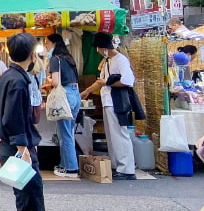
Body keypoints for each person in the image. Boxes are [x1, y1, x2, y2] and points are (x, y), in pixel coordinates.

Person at [0, 32, 45, 211]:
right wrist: (24, 150)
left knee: (25, 197)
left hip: (10, 145)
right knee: (31, 200)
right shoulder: (18, 81)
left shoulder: (8, 76)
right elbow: (13, 119)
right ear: (32, 55)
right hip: (18, 148)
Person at [81, 33, 138, 181]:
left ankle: (127, 169)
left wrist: (106, 83)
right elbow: (101, 80)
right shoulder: (108, 61)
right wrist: (87, 91)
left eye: (98, 48)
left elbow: (128, 81)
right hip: (108, 101)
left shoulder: (121, 60)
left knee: (120, 134)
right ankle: (116, 165)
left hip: (117, 102)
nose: (97, 51)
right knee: (112, 136)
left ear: (104, 47)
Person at [45, 33, 81, 179]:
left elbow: (55, 82)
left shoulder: (55, 59)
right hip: (75, 94)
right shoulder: (68, 57)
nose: (46, 45)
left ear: (54, 44)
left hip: (64, 95)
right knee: (68, 132)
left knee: (64, 134)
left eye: (47, 42)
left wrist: (48, 80)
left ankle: (71, 168)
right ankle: (65, 164)